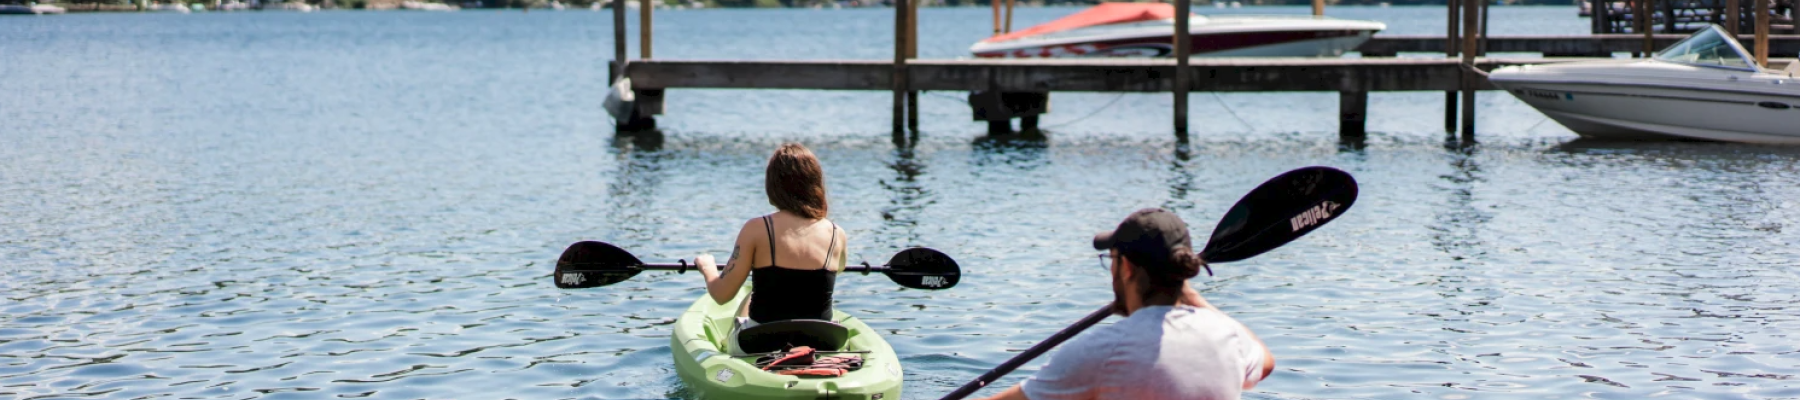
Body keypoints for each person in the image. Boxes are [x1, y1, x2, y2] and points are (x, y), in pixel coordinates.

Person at [978, 208, 1275, 400]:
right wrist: (1192, 296)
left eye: (1112, 260)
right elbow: (1265, 362)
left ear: (1127, 268)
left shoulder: (1103, 349)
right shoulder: (1227, 336)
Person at [695, 143, 848, 350]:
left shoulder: (757, 228)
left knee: (751, 294)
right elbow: (838, 268)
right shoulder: (837, 234)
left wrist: (708, 268)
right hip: (821, 343)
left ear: (773, 185)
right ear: (815, 185)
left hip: (762, 343)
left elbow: (722, 295)